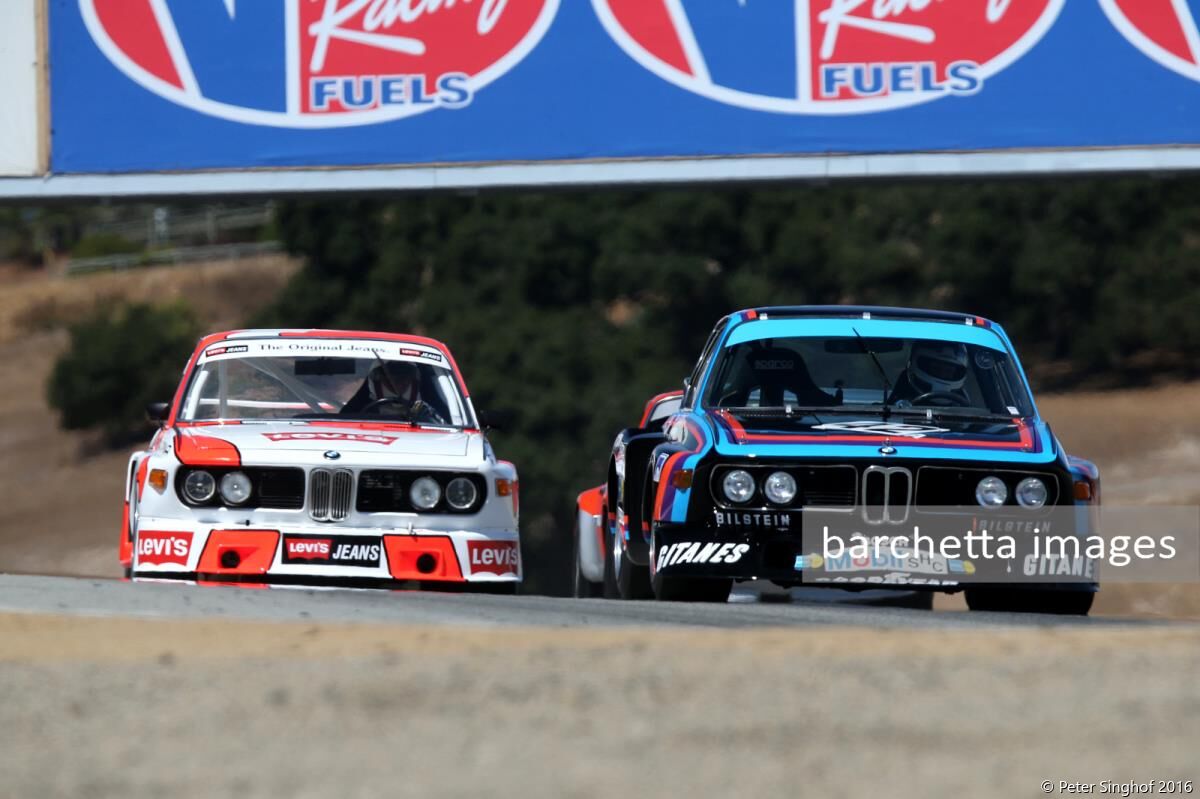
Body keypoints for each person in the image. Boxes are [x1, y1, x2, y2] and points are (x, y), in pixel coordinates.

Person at [341, 360, 446, 423]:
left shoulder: (430, 414)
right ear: (375, 380)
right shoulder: (355, 412)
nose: (399, 383)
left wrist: (426, 417)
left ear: (415, 380)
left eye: (405, 376)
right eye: (390, 377)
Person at [887, 341, 970, 406]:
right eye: (936, 368)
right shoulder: (899, 401)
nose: (943, 374)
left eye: (949, 372)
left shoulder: (964, 404)